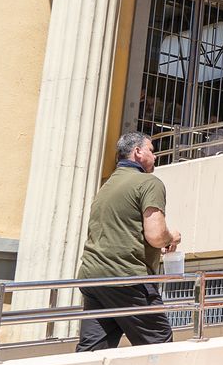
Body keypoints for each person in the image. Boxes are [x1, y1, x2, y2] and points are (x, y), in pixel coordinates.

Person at [75, 132, 183, 352]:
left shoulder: (107, 186)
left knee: (93, 349)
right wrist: (172, 237)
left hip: (92, 279)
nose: (155, 156)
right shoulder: (148, 182)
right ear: (137, 152)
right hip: (127, 277)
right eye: (152, 150)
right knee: (158, 343)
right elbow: (155, 235)